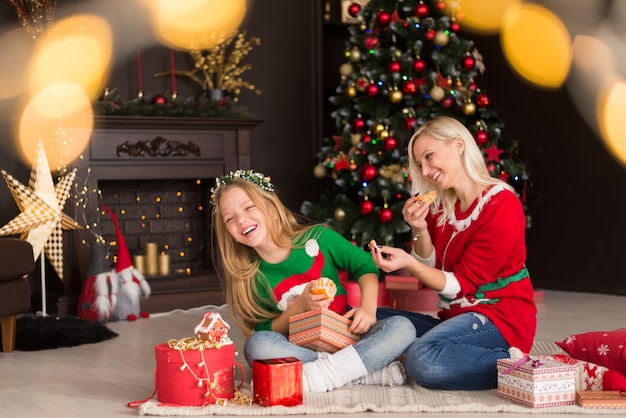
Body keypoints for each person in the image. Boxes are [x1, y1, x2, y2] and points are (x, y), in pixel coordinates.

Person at [211, 169, 416, 393]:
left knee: (402, 328)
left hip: (348, 334)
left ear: (270, 205)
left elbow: (365, 265)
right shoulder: (249, 274)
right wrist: (299, 307)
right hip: (298, 345)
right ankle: (358, 372)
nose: (241, 220)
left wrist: (367, 308)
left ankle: (321, 374)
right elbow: (264, 329)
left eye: (249, 207)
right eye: (230, 219)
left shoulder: (319, 238)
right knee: (257, 347)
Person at [370, 116, 537, 390]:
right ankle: (433, 352)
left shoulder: (502, 205)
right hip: (456, 318)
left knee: (422, 359)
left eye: (429, 156)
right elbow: (432, 267)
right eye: (420, 164)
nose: (425, 171)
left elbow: (457, 285)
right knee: (368, 317)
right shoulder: (444, 205)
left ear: (459, 146)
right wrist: (419, 228)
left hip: (499, 319)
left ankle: (515, 364)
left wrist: (409, 263)